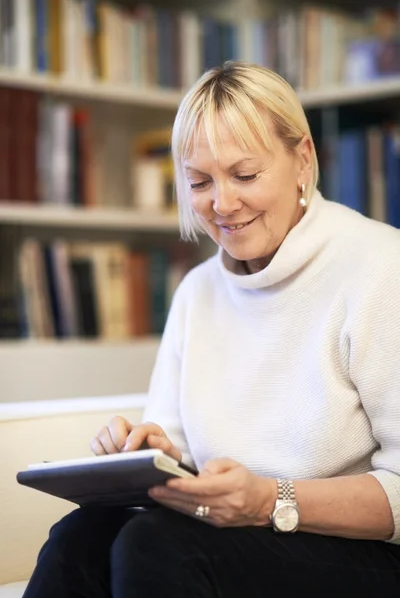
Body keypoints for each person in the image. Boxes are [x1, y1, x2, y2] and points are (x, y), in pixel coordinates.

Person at [23, 62, 400, 598]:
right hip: (233, 536)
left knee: (158, 544)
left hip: (367, 556)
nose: (222, 204)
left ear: (303, 160)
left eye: (245, 175)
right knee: (78, 536)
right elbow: (176, 453)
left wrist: (268, 499)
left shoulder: (382, 268)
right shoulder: (197, 292)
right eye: (200, 182)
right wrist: (150, 454)